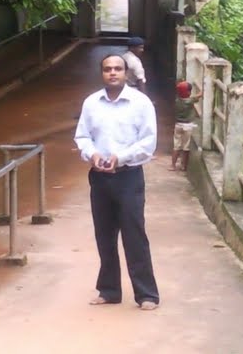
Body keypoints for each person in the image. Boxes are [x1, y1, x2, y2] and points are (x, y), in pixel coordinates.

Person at [74, 53, 160, 310]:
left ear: (126, 73)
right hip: (99, 177)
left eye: (118, 69)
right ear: (102, 73)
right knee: (104, 235)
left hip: (129, 177)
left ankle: (146, 295)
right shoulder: (91, 103)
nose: (113, 73)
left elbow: (148, 143)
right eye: (108, 69)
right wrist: (93, 154)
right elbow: (82, 136)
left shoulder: (140, 103)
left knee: (134, 234)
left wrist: (120, 158)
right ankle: (109, 290)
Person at [170, 80, 200, 171]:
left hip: (178, 125)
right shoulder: (190, 101)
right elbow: (199, 95)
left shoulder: (177, 101)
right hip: (188, 126)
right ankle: (184, 166)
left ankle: (173, 165)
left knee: (176, 146)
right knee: (185, 148)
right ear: (188, 92)